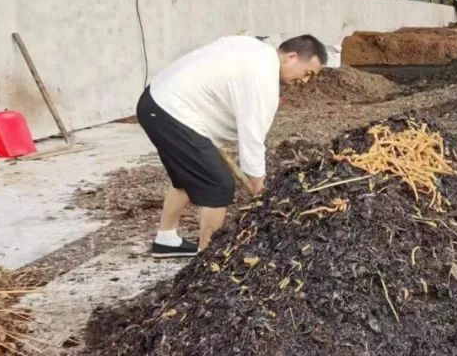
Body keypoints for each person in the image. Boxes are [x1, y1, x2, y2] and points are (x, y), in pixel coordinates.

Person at [136, 34, 327, 257]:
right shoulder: (262, 79)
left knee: (188, 175)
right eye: (307, 73)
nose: (305, 82)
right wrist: (259, 186)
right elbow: (253, 139)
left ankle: (166, 240)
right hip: (172, 109)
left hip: (157, 101)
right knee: (219, 184)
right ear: (292, 57)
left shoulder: (255, 49)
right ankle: (208, 261)